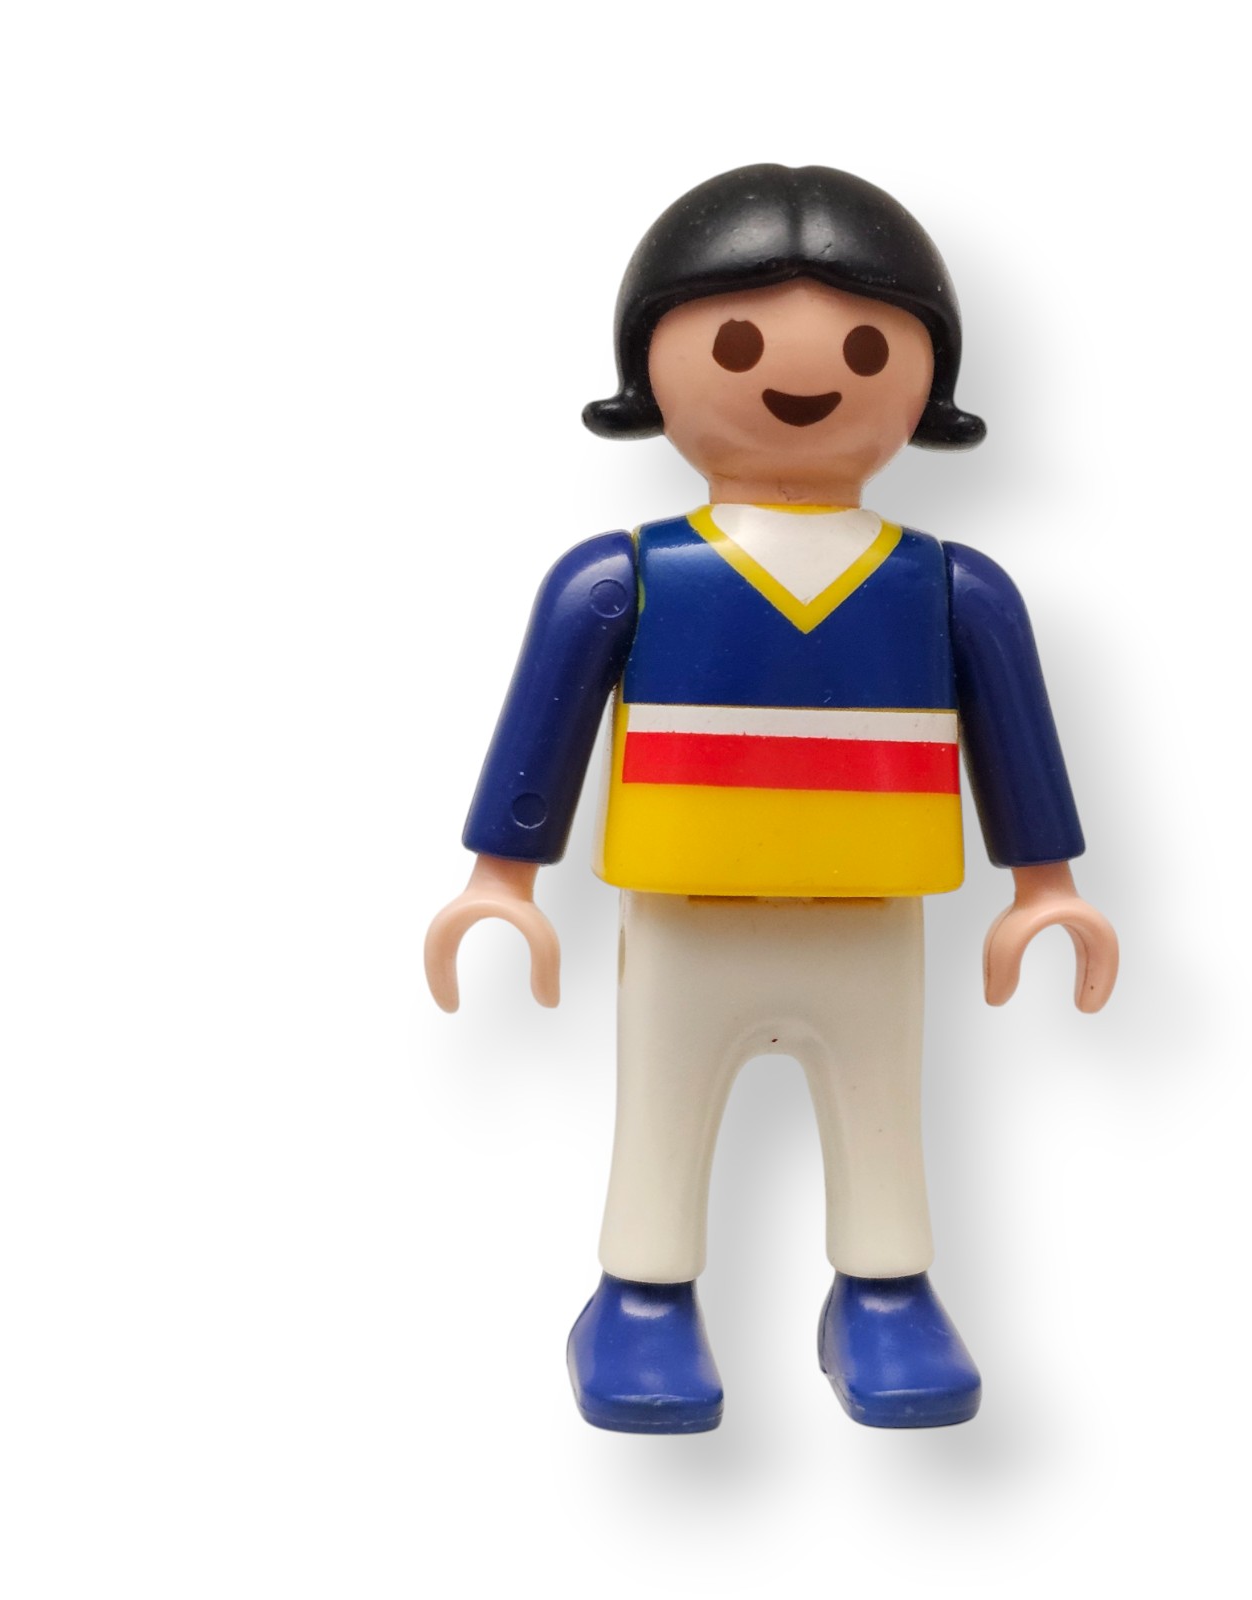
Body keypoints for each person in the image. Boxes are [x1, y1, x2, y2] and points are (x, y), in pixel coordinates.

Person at [425, 164, 1118, 1433]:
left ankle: (885, 1292)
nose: (806, 379)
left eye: (867, 348)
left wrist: (1046, 885)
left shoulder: (949, 587)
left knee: (880, 1104)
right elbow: (545, 729)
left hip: (871, 915)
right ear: (652, 366)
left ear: (924, 379)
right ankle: (640, 1298)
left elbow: (1016, 736)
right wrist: (499, 878)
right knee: (662, 1102)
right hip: (685, 916)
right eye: (734, 343)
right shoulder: (627, 577)